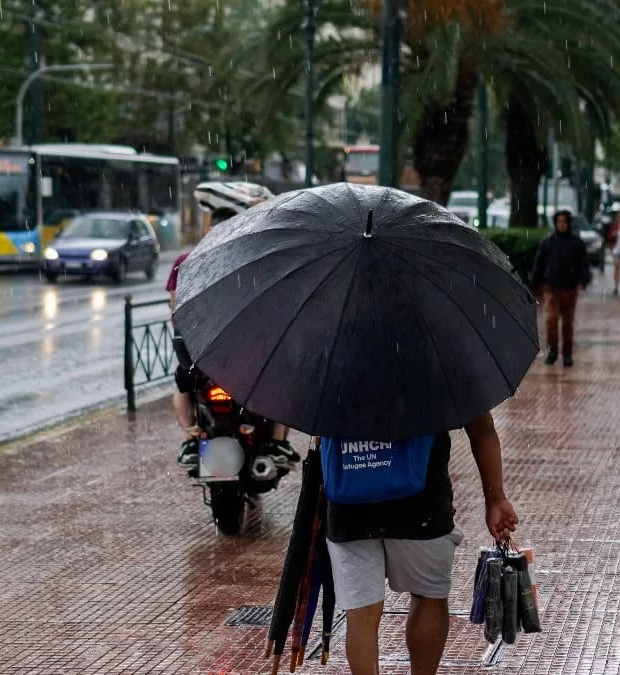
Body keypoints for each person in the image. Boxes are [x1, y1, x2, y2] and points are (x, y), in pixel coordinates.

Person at [324, 412, 518, 675]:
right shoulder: (442, 369)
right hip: (421, 497)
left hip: (350, 488)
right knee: (428, 595)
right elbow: (481, 428)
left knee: (361, 612)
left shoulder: (330, 371)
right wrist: (495, 499)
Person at [169, 200, 298, 468]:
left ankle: (189, 437)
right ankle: (277, 443)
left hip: (202, 355)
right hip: (246, 355)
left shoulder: (186, 261)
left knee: (183, 382)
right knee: (284, 382)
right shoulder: (250, 259)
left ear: (209, 230)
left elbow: (175, 308)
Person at [530, 209, 591, 367]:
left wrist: (583, 280)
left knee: (567, 323)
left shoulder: (576, 243)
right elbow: (539, 263)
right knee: (551, 321)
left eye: (564, 221)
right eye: (559, 221)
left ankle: (567, 354)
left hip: (570, 289)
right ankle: (553, 351)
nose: (561, 224)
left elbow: (583, 264)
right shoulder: (548, 242)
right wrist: (534, 281)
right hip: (551, 288)